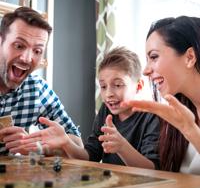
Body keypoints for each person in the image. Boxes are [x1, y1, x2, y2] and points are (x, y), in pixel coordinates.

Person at [21, 47, 160, 169]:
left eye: (118, 85)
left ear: (139, 86)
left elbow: (152, 169)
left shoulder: (152, 116)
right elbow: (90, 157)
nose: (108, 94)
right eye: (103, 86)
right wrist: (66, 142)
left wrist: (122, 147)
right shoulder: (106, 111)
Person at [122, 16, 200, 175]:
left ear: (190, 57)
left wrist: (190, 130)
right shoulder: (178, 115)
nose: (145, 71)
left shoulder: (184, 122)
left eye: (154, 57)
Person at [0, 7, 82, 155]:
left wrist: (37, 146)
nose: (26, 58)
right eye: (19, 46)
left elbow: (77, 144)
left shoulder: (38, 89)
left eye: (37, 51)